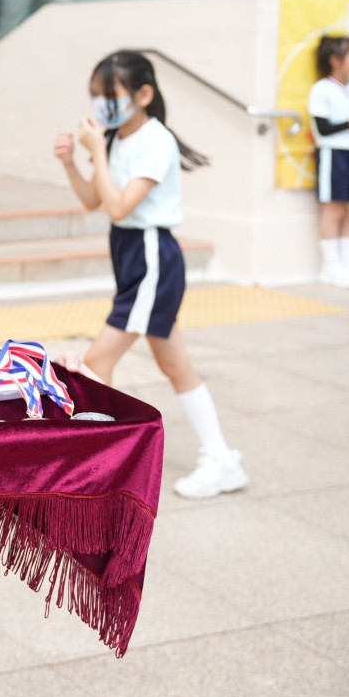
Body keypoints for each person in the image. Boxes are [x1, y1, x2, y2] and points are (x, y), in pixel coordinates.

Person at [54, 50, 247, 499]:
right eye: (96, 95)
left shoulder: (156, 141)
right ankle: (221, 459)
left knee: (97, 361)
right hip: (132, 253)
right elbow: (93, 200)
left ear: (143, 95)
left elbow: (121, 207)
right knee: (175, 364)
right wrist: (70, 162)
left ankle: (98, 467)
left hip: (151, 256)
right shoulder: (117, 138)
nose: (101, 104)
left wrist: (96, 151)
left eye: (110, 95)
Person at [309, 35, 349, 286]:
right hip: (333, 154)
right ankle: (330, 266)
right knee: (333, 209)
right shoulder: (322, 89)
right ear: (335, 60)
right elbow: (323, 128)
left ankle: (348, 263)